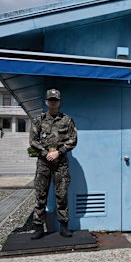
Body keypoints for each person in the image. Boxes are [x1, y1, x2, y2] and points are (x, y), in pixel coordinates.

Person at [30, 89, 78, 239]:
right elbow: (33, 140)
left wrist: (59, 151)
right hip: (43, 163)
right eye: (50, 100)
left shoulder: (67, 120)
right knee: (40, 195)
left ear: (59, 102)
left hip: (60, 163)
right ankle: (38, 228)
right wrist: (46, 153)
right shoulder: (38, 120)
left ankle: (64, 227)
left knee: (61, 195)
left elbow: (73, 139)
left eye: (55, 100)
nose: (53, 103)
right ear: (46, 102)